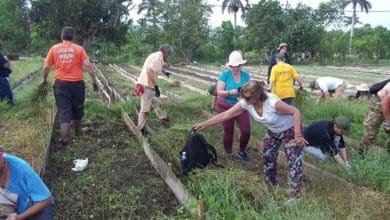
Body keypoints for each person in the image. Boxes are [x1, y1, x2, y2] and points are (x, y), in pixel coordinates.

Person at [194, 81, 305, 201]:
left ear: (257, 95)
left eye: (247, 97)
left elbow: (295, 112)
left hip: (290, 130)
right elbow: (226, 115)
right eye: (243, 96)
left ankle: (296, 196)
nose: (244, 99)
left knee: (293, 161)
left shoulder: (272, 103)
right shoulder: (246, 103)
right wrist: (205, 124)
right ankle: (270, 184)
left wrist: (298, 135)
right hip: (273, 131)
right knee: (268, 156)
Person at [42, 26, 98, 145]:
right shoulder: (79, 49)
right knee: (77, 107)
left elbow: (46, 67)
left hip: (61, 85)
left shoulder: (54, 48)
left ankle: (65, 138)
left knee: (64, 109)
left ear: (62, 36)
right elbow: (88, 66)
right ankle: (78, 131)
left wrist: (44, 80)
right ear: (72, 37)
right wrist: (94, 81)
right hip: (77, 85)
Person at [214, 51, 251, 160]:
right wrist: (231, 92)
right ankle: (228, 152)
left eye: (237, 66)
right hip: (226, 105)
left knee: (246, 131)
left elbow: (249, 89)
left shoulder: (245, 75)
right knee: (228, 130)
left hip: (241, 105)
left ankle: (242, 151)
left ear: (241, 65)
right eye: (232, 66)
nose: (235, 68)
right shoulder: (224, 75)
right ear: (229, 66)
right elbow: (219, 92)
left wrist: (245, 94)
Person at [0, 146, 53, 219]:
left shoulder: (21, 167)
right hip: (11, 203)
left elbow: (46, 200)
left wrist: (18, 218)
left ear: (2, 152)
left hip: (34, 206)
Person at [136, 44, 172, 132]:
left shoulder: (156, 55)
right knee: (145, 110)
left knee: (157, 103)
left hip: (147, 85)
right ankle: (140, 129)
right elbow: (149, 71)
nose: (169, 56)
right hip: (147, 86)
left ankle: (163, 118)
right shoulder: (157, 58)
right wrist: (155, 86)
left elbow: (156, 67)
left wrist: (164, 72)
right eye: (168, 54)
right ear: (165, 52)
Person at [360, 81, 390, 154]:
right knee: (371, 130)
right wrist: (388, 121)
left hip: (387, 101)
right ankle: (362, 153)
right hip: (379, 102)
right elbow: (384, 103)